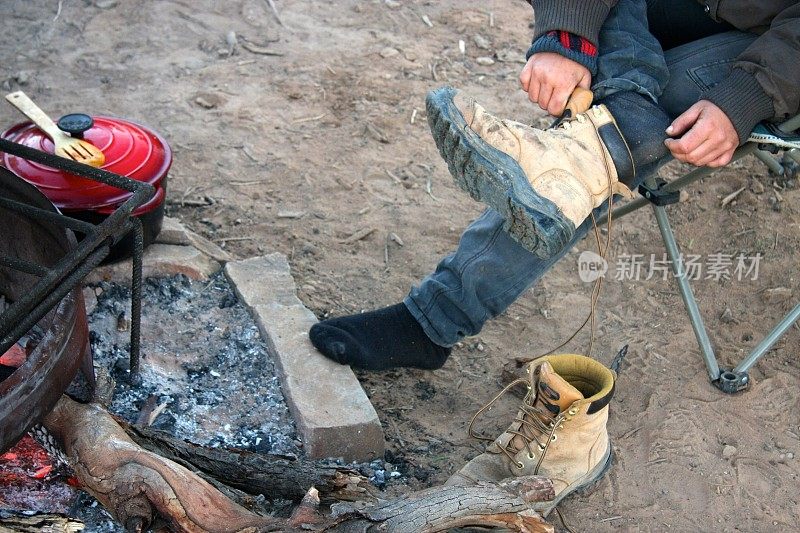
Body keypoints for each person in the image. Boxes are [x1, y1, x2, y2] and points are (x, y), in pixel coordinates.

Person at [309, 0, 800, 516]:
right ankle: (620, 123)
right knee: (602, 141)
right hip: (644, 18)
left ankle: (436, 318)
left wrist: (747, 98)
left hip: (773, 47)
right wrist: (567, 35)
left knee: (592, 155)